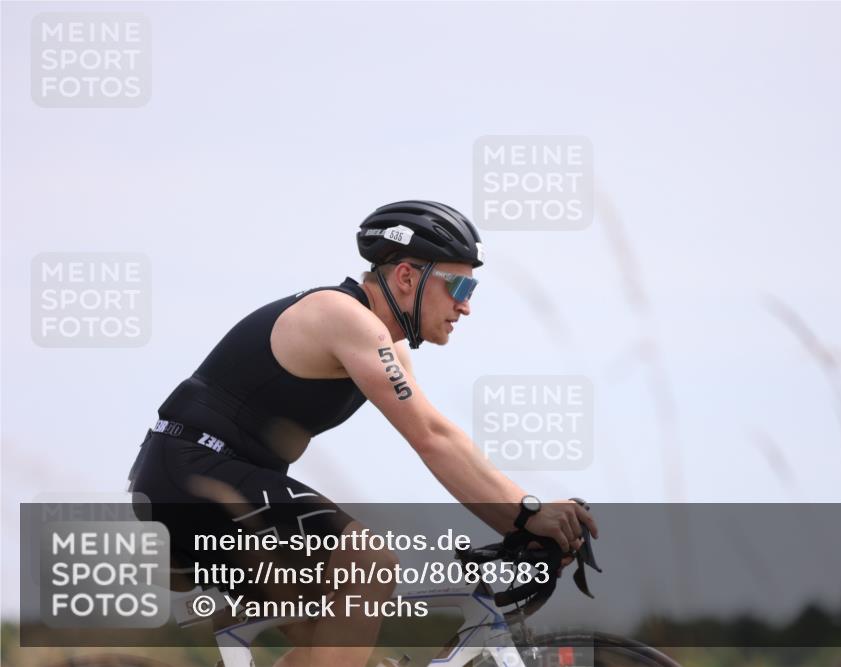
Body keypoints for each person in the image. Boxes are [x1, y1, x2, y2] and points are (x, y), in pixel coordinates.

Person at [128, 200, 599, 667]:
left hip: (199, 476)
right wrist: (526, 512)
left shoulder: (383, 344)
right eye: (459, 285)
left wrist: (519, 525)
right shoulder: (344, 317)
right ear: (407, 277)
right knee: (369, 564)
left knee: (333, 634)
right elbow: (431, 437)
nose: (466, 305)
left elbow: (443, 440)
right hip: (193, 471)